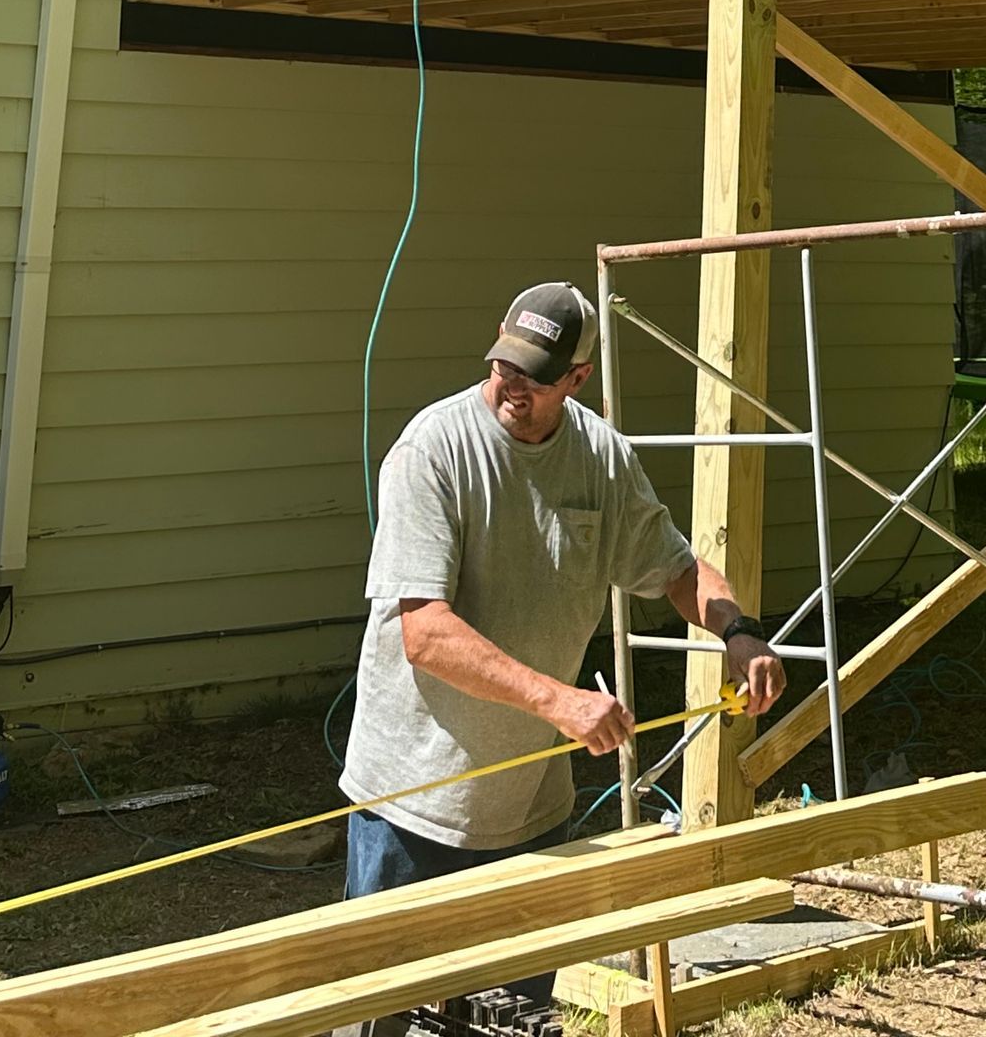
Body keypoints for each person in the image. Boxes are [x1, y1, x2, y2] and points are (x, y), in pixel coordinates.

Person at [335, 280, 786, 1037]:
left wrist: (737, 629)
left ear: (576, 380)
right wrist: (561, 702)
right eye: (505, 366)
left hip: (529, 815)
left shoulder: (601, 460)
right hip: (411, 809)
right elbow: (425, 633)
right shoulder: (433, 450)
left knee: (513, 1024)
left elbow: (676, 569)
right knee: (381, 1020)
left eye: (537, 377)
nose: (514, 387)